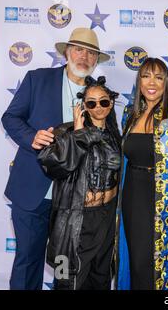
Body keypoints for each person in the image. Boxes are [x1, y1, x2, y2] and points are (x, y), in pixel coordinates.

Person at [1, 27, 109, 290]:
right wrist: (31, 137)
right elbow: (10, 118)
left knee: (66, 268)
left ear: (96, 60)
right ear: (67, 52)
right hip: (32, 193)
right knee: (27, 262)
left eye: (91, 53)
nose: (84, 57)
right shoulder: (37, 79)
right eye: (79, 49)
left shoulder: (100, 96)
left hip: (73, 202)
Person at [115, 58, 168, 290]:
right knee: (135, 259)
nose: (152, 82)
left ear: (166, 83)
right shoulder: (128, 114)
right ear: (139, 81)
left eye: (158, 77)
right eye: (146, 76)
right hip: (132, 195)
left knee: (163, 264)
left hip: (167, 200)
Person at [38, 76, 121, 290]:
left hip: (107, 218)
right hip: (76, 220)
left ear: (110, 103)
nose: (98, 107)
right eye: (91, 103)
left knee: (100, 278)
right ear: (84, 105)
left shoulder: (116, 135)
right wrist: (78, 134)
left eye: (103, 101)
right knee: (66, 281)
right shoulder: (65, 132)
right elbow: (53, 165)